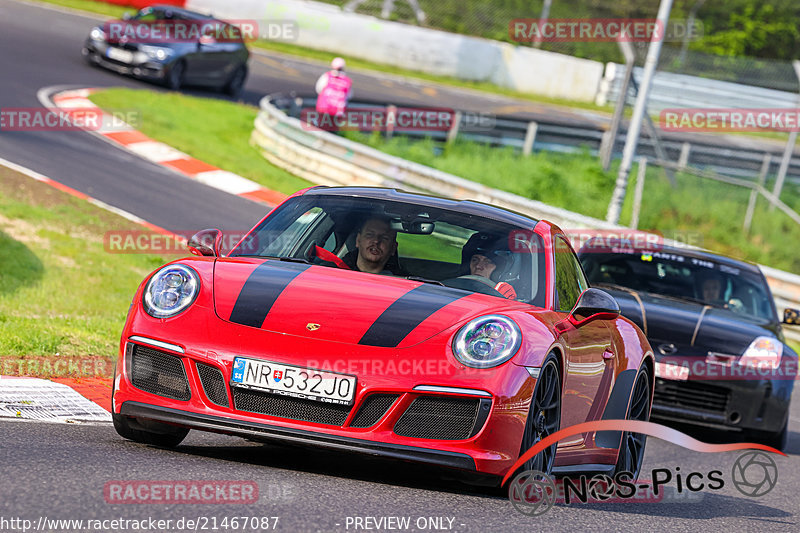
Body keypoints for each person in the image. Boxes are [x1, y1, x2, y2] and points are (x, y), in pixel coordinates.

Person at [315, 57, 352, 124]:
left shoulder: (327, 76)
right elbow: (349, 96)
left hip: (323, 109)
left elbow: (318, 89)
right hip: (337, 112)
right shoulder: (347, 81)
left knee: (320, 127)